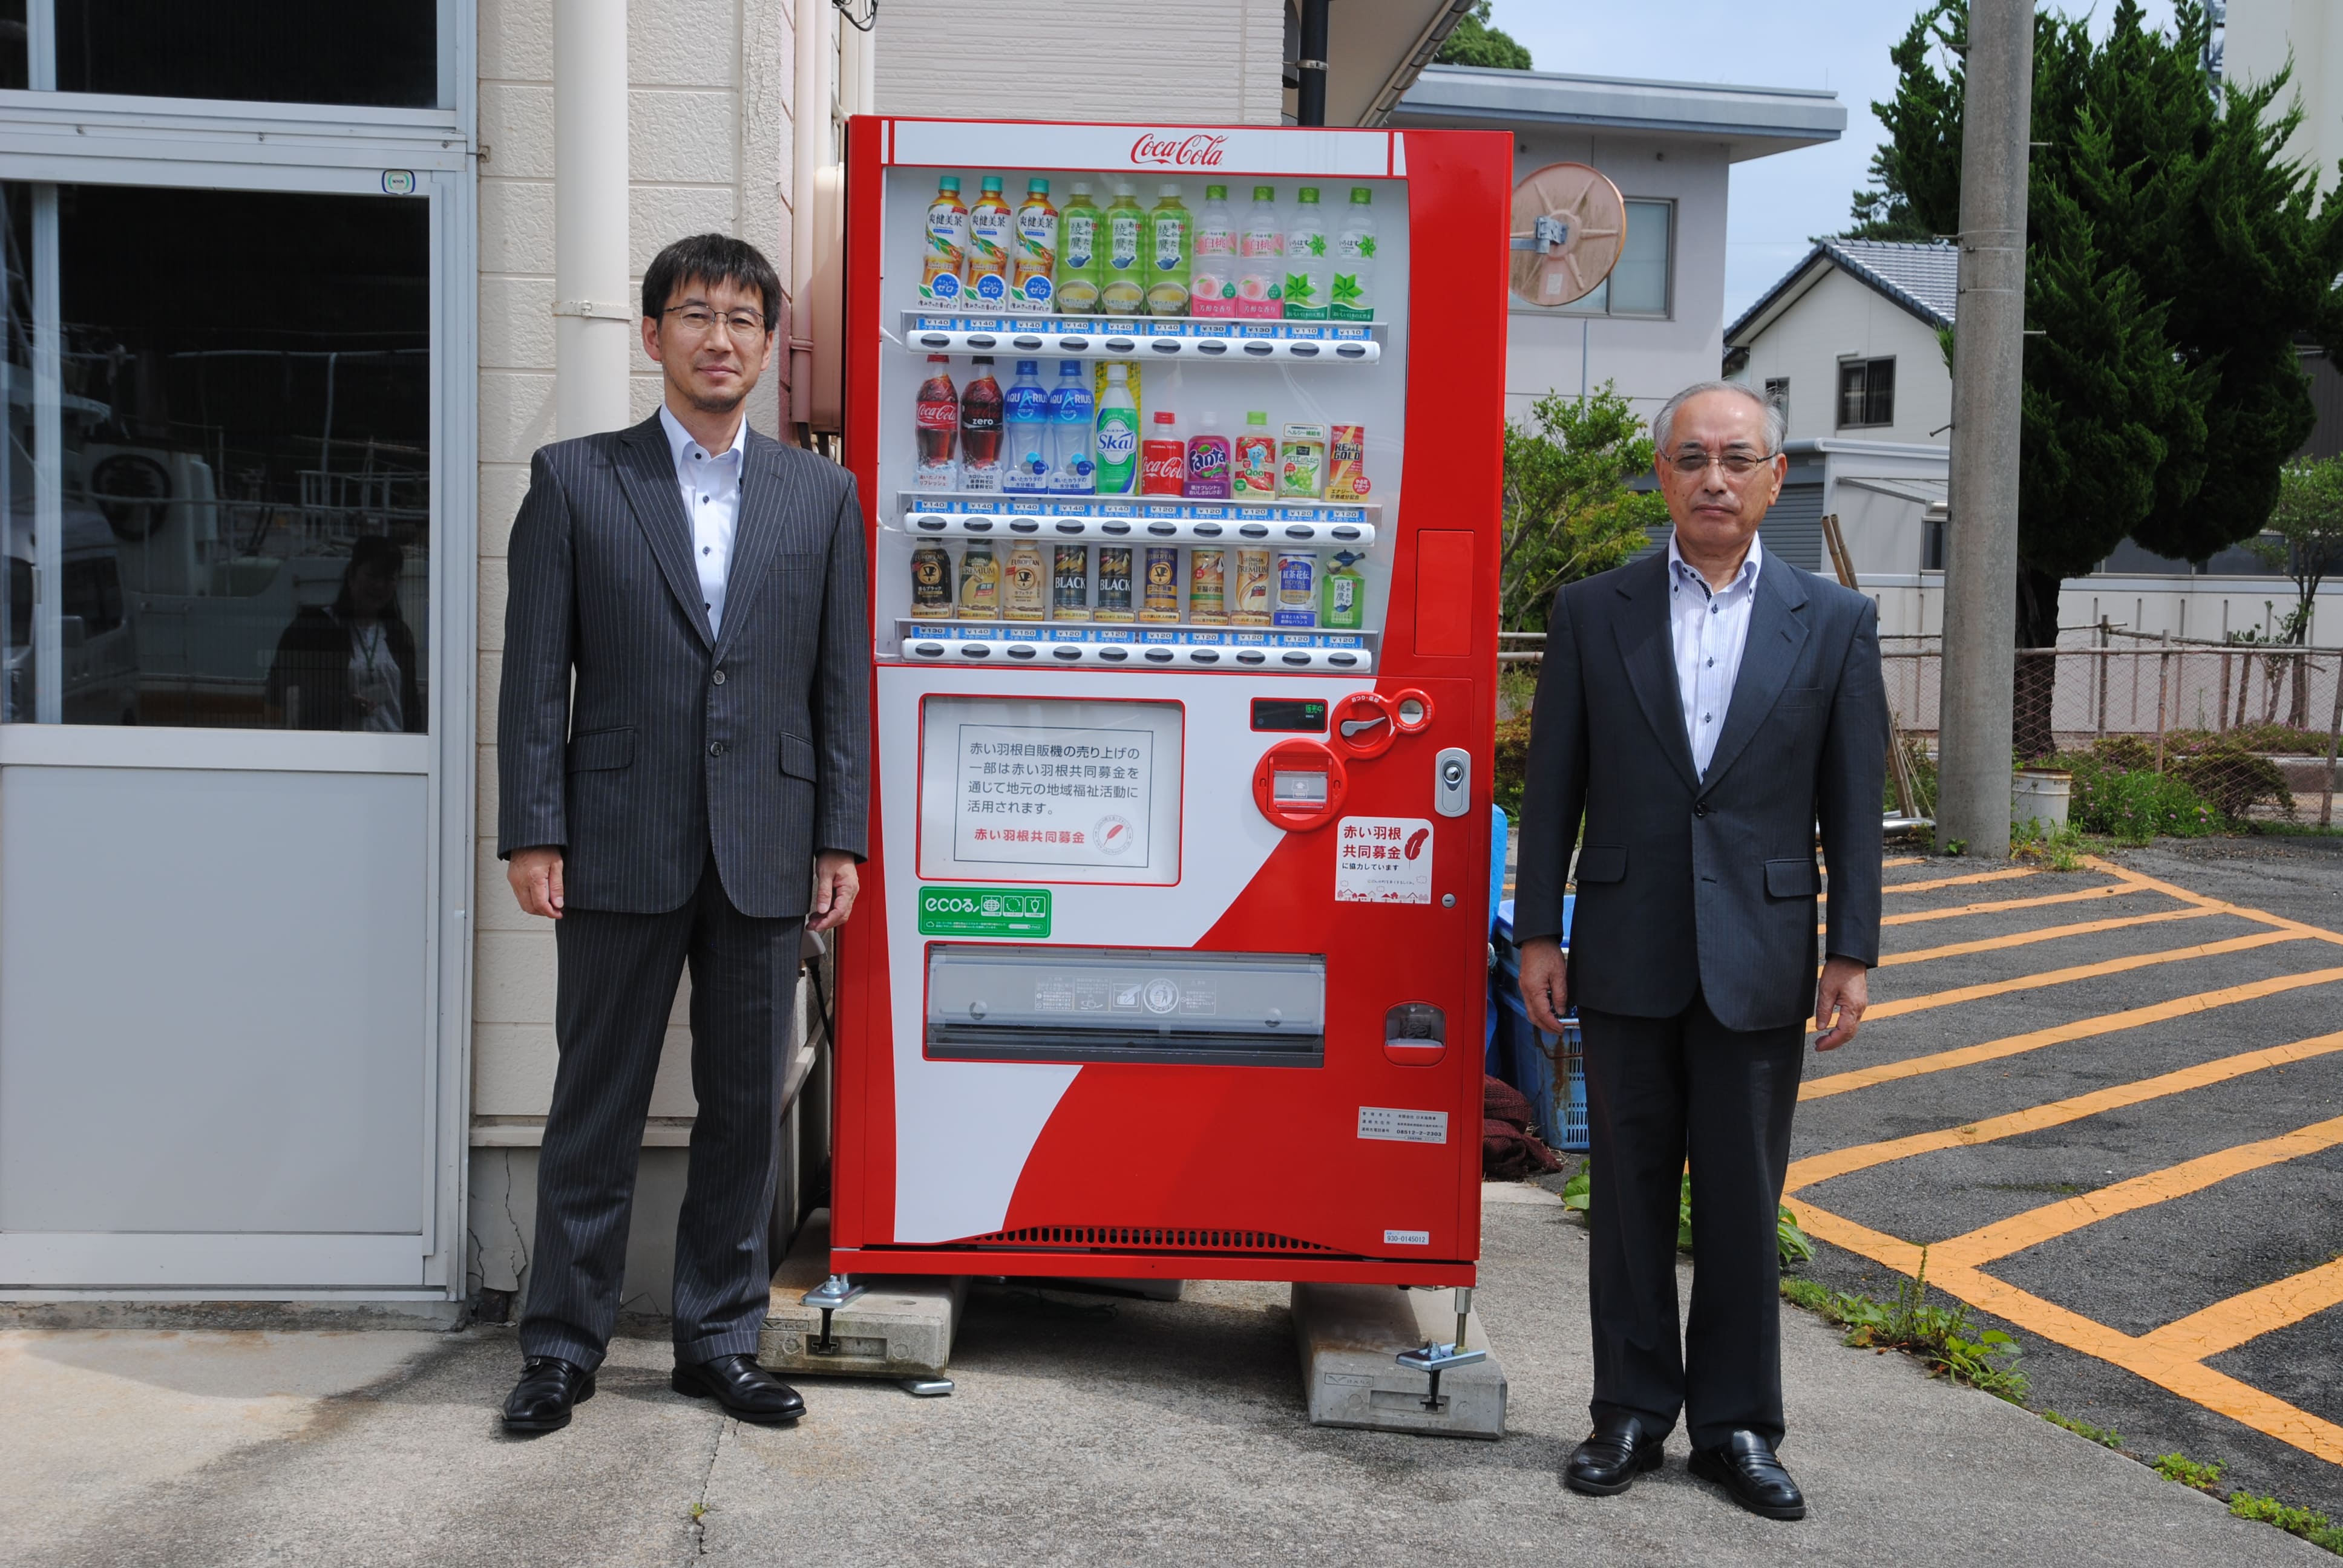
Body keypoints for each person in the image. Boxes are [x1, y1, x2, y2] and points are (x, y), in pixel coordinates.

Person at [495, 233, 869, 1434]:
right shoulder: (574, 479)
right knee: (593, 1101)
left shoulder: (822, 495)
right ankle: (560, 1345)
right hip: (614, 834)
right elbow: (532, 679)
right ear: (653, 334)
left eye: (744, 320)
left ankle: (718, 1338)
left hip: (768, 840)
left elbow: (837, 685)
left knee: (741, 1104)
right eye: (696, 314)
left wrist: (840, 837)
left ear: (768, 346)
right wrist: (532, 831)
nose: (721, 338)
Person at [1513, 380, 1887, 1520]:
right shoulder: (1595, 609)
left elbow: (1852, 801)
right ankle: (1626, 1409)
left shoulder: (1832, 622)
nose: (1713, 478)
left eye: (1737, 458)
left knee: (1740, 1195)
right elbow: (1554, 789)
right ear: (1662, 478)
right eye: (1690, 458)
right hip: (1622, 939)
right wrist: (1537, 929)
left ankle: (1736, 1426)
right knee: (1624, 1193)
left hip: (1766, 949)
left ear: (1775, 478)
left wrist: (1851, 949)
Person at [266, 535, 423, 732]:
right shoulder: (313, 628)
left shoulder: (398, 634)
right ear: (352, 576)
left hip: (391, 754)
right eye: (373, 576)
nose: (380, 586)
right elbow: (277, 688)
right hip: (338, 753)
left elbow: (410, 703)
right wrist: (341, 704)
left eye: (389, 578)